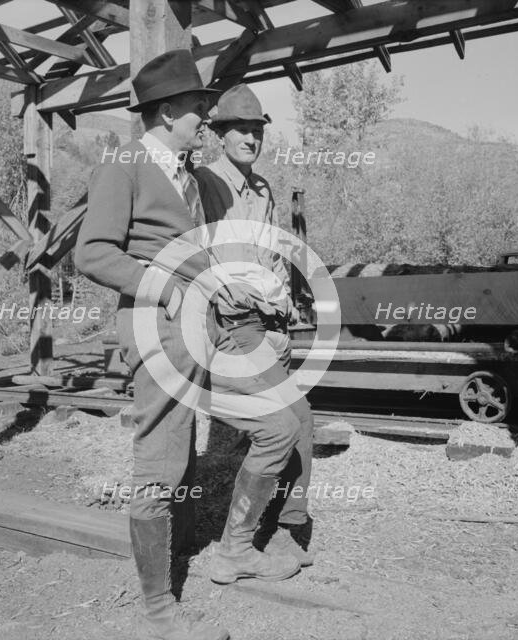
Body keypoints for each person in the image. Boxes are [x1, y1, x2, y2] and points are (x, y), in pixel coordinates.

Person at [74, 50, 301, 640]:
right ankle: (157, 613)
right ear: (168, 110)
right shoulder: (123, 166)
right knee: (163, 466)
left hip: (210, 326)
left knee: (279, 425)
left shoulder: (189, 177)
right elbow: (93, 252)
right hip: (160, 329)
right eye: (199, 109)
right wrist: (168, 287)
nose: (206, 119)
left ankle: (234, 551)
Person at [194, 84, 315, 567]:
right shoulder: (202, 182)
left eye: (257, 129)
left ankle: (285, 528)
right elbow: (190, 250)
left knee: (301, 421)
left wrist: (283, 297)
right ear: (220, 134)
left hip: (267, 324)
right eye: (240, 129)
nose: (251, 137)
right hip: (231, 324)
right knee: (282, 425)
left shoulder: (262, 189)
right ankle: (235, 547)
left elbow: (270, 253)